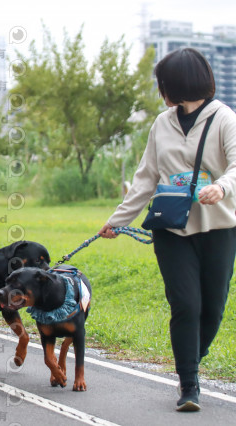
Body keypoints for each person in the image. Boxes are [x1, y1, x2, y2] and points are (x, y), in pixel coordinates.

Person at [99, 48, 236, 412]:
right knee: (186, 305)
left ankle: (191, 358)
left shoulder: (225, 119)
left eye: (163, 82)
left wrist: (221, 187)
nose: (161, 89)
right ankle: (188, 384)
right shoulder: (162, 123)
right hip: (171, 230)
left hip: (219, 228)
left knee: (213, 310)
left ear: (176, 83)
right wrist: (118, 221)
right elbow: (146, 178)